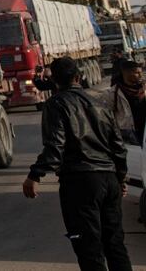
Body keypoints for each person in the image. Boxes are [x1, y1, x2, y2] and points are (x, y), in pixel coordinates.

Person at [23, 57, 132, 271]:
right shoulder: (100, 102)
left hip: (80, 183)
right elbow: (118, 146)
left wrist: (34, 175)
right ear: (78, 77)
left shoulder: (56, 104)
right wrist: (120, 178)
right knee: (115, 244)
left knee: (89, 247)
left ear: (54, 81)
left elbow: (55, 146)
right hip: (108, 179)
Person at [99, 59, 146, 145]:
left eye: (141, 72)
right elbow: (105, 118)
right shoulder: (112, 93)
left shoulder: (143, 89)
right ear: (126, 74)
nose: (140, 75)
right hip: (129, 135)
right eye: (137, 73)